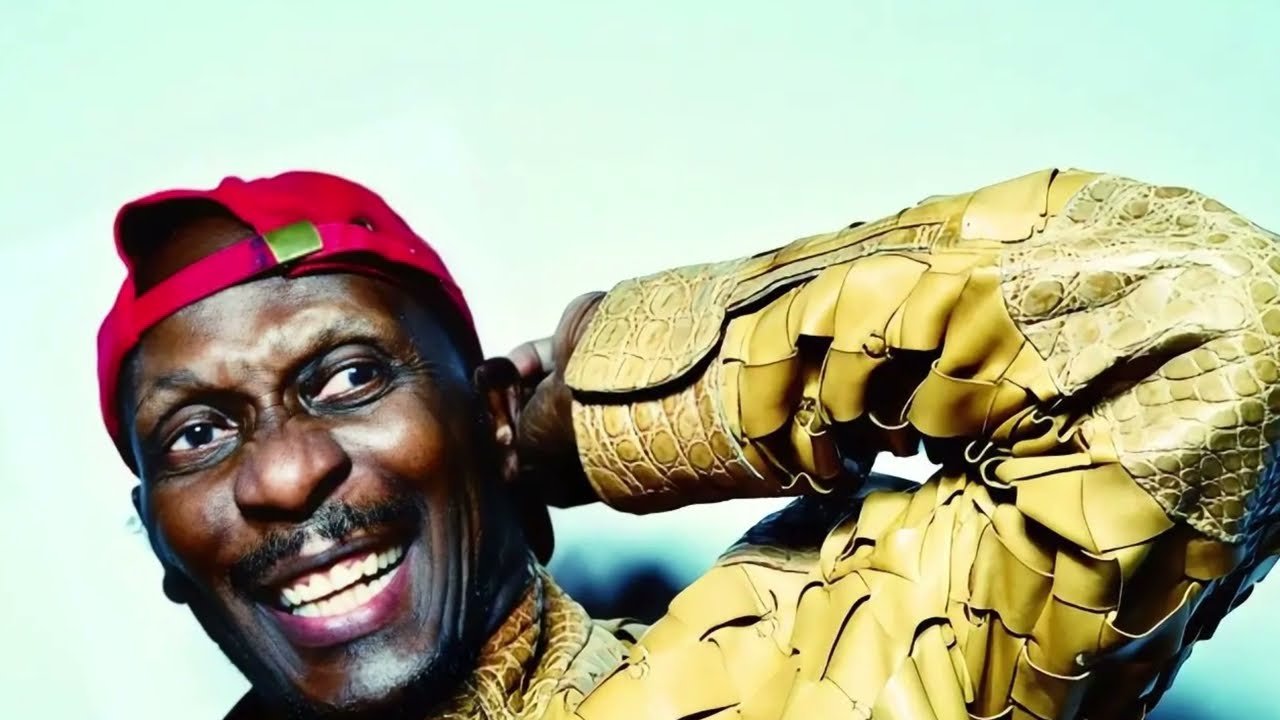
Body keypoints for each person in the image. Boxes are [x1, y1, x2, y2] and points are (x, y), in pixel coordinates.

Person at [97, 167, 1279, 720]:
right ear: (160, 543)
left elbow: (1216, 327)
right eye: (196, 433)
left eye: (352, 376)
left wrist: (612, 412)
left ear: (493, 418)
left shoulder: (808, 683)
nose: (284, 472)